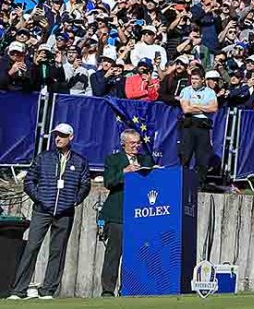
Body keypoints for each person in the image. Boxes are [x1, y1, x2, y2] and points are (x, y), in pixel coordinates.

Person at [7, 124, 90, 300]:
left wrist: (75, 200)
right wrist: (40, 198)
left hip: (65, 213)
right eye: (56, 135)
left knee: (57, 251)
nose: (58, 138)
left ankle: (48, 290)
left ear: (71, 137)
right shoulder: (43, 158)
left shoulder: (80, 161)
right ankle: (18, 290)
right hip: (42, 211)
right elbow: (29, 180)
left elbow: (85, 184)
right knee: (31, 248)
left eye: (62, 135)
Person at [98, 129, 153, 297]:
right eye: (132, 143)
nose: (136, 146)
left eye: (138, 143)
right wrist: (125, 172)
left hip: (140, 214)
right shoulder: (113, 160)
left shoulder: (147, 159)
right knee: (113, 254)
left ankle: (129, 289)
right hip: (118, 215)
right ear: (123, 144)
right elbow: (109, 182)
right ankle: (108, 290)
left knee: (135, 255)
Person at [178, 69, 218, 186]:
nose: (193, 81)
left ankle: (200, 183)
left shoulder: (210, 92)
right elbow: (186, 109)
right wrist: (204, 107)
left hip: (203, 126)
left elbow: (214, 108)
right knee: (185, 154)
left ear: (202, 80)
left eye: (196, 79)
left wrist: (195, 105)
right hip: (189, 124)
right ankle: (182, 181)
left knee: (202, 157)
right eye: (192, 79)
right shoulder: (186, 91)